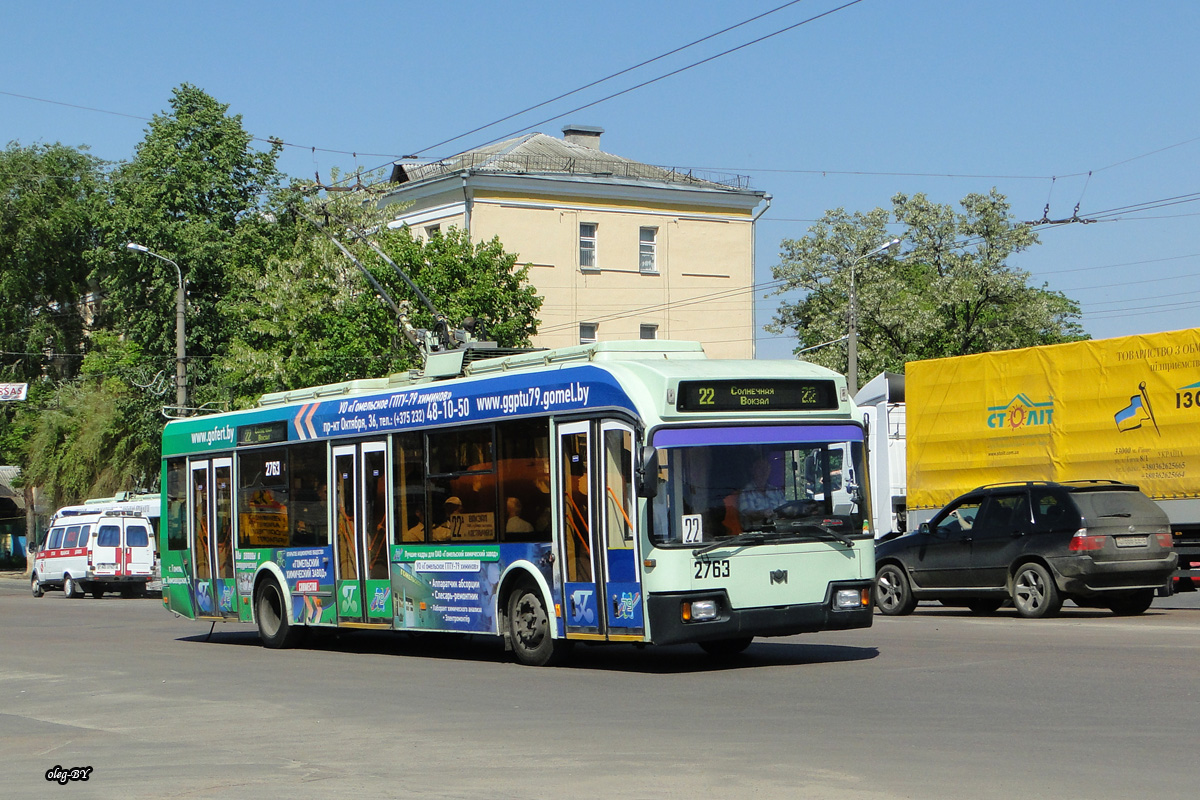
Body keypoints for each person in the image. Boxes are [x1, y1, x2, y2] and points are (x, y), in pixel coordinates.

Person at [739, 456, 784, 528]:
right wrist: (763, 513)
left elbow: (785, 509)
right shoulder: (746, 492)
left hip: (781, 531)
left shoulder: (776, 491)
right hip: (756, 532)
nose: (764, 471)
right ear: (753, 470)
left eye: (767, 468)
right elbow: (748, 514)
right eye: (760, 468)